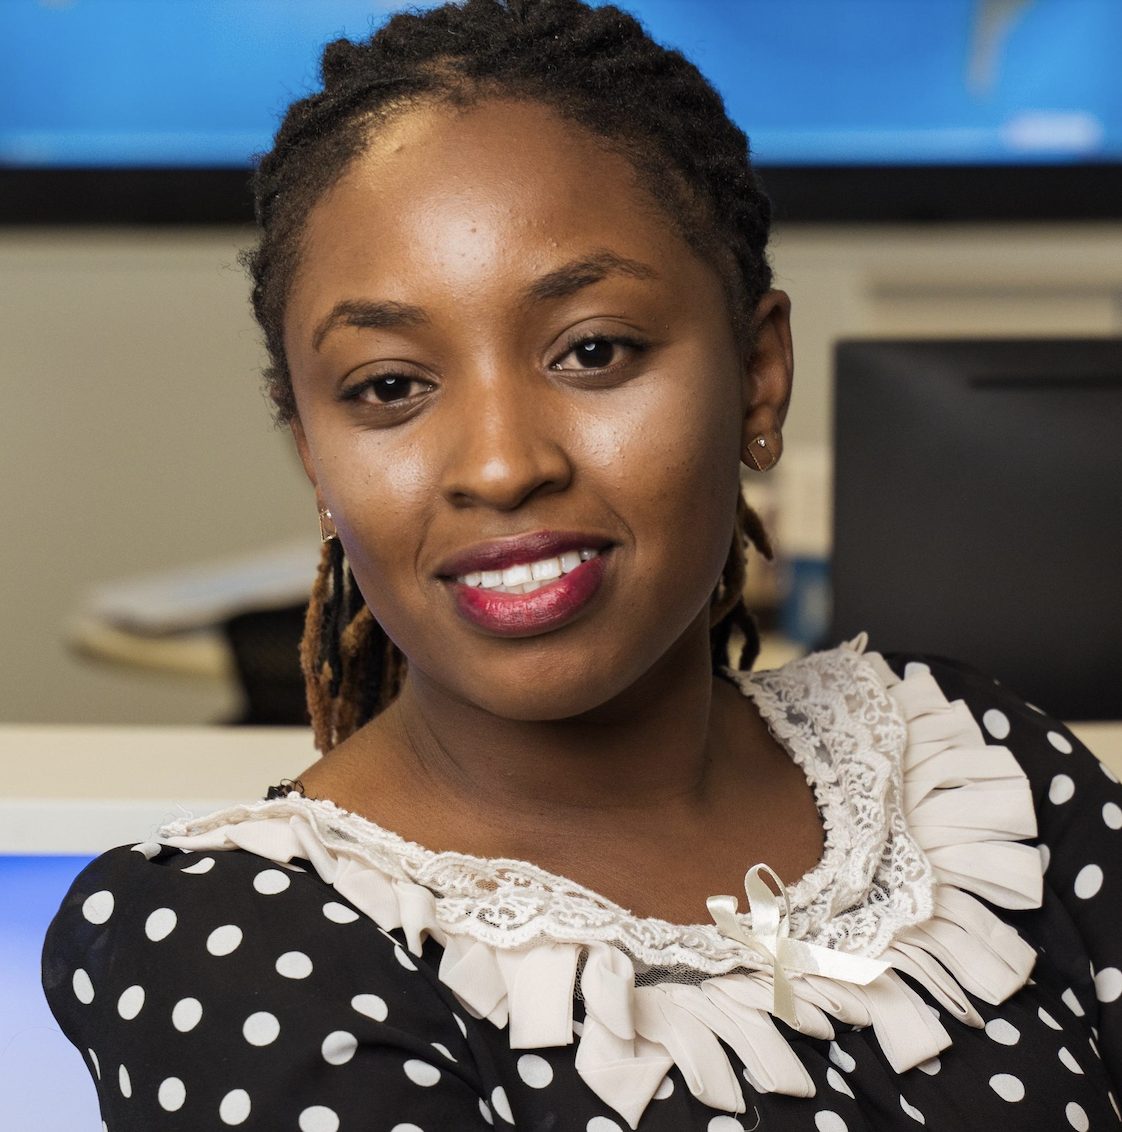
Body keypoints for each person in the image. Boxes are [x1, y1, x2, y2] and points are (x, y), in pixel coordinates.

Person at [42, 2, 1122, 1129]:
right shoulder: (239, 948)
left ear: (758, 379)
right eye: (390, 387)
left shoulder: (974, 774)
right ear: (313, 451)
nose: (503, 465)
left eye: (593, 351)